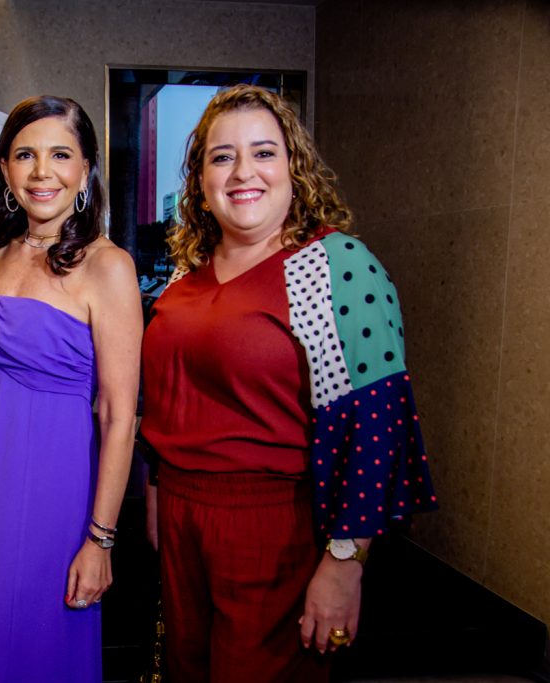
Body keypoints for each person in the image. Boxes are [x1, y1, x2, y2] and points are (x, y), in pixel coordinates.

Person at [140, 84, 437, 682]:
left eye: (264, 152)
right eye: (222, 157)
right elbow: (165, 404)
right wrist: (158, 501)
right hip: (179, 520)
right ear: (199, 180)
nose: (242, 171)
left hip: (273, 529)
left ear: (294, 168)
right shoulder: (183, 280)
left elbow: (376, 429)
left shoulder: (336, 266)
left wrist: (345, 563)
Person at [0, 96, 142, 683]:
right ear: (4, 170)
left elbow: (119, 415)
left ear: (84, 170)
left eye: (60, 155)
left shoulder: (108, 267)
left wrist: (100, 540)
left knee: (34, 644)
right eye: (25, 155)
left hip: (56, 479)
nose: (41, 171)